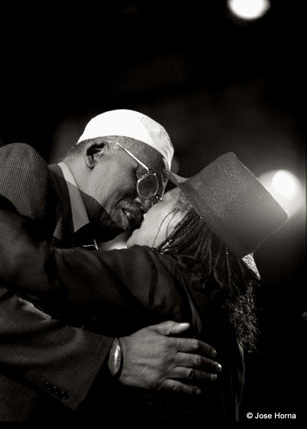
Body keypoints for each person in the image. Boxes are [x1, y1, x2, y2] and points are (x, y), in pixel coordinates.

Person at [0, 152, 288, 422]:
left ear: (180, 220)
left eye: (162, 202)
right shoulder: (230, 338)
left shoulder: (160, 273)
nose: (146, 208)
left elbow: (35, 265)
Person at [0, 109, 219, 422]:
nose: (147, 204)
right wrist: (113, 356)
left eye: (158, 197)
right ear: (96, 153)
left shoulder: (92, 247)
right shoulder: (27, 167)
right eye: (147, 182)